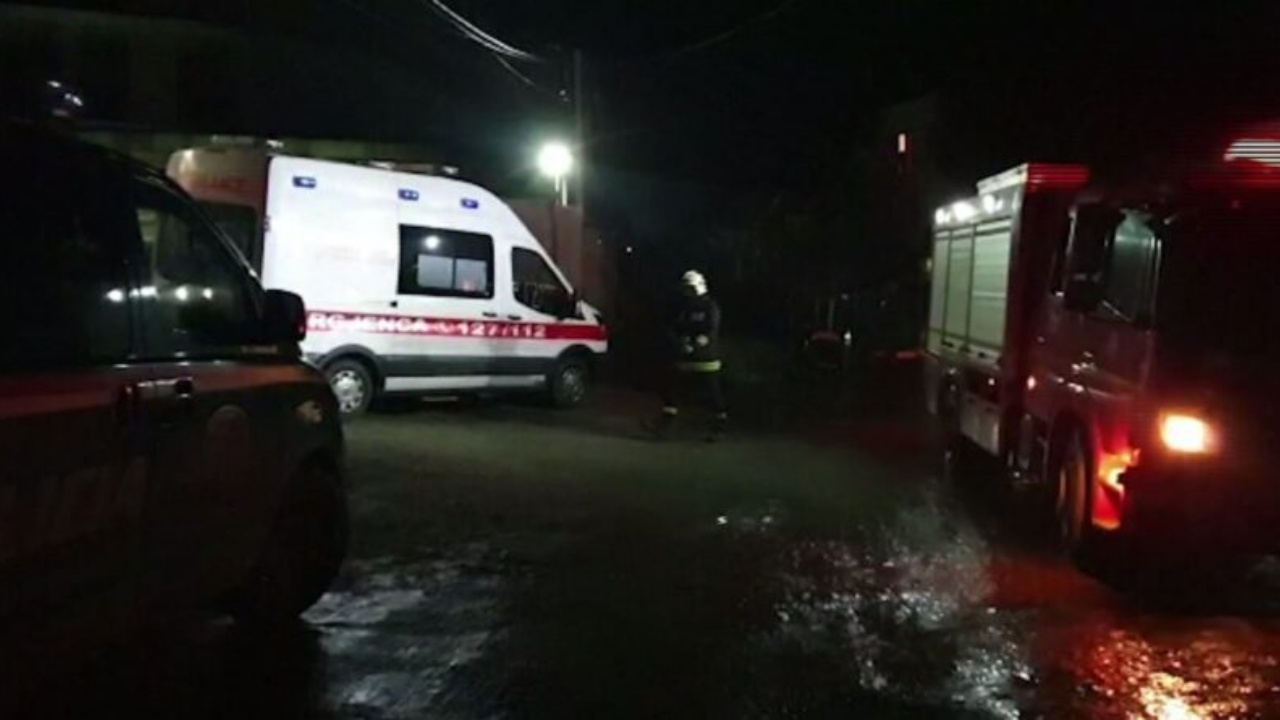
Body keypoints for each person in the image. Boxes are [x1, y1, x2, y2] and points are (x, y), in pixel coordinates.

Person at [653, 270, 728, 442]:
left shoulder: (710, 307)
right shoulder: (687, 308)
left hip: (707, 359)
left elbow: (710, 330)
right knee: (672, 390)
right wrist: (680, 341)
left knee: (712, 394)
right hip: (687, 358)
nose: (688, 292)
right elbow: (680, 327)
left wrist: (694, 345)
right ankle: (665, 425)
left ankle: (719, 427)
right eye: (686, 288)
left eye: (690, 288)